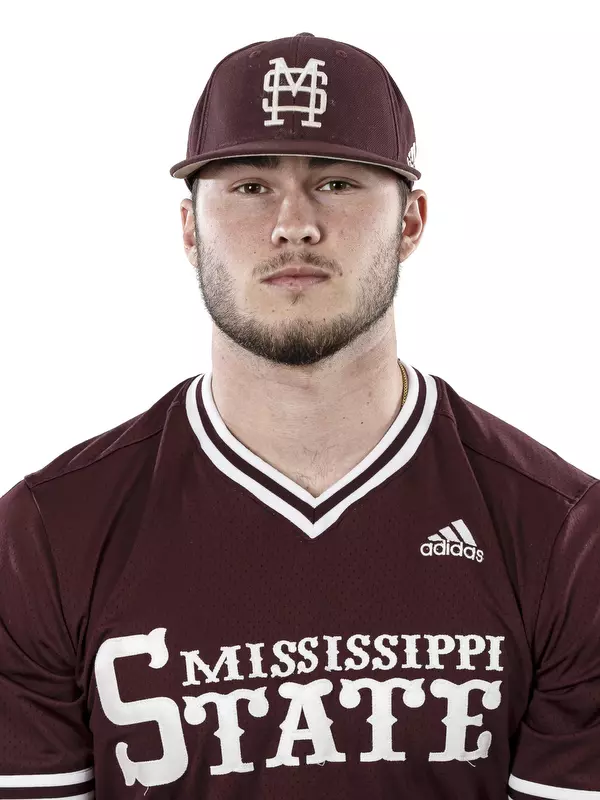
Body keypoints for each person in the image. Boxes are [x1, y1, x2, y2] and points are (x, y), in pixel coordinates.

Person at [0, 32, 598, 800]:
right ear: (189, 228)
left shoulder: (564, 533)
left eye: (339, 183)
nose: (294, 224)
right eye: (250, 186)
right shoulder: (47, 537)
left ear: (411, 221)